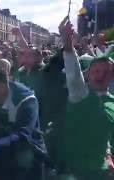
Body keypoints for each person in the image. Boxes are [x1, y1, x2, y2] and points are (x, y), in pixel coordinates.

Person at [54, 17, 114, 180]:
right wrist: (68, 45)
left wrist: (108, 156)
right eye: (96, 71)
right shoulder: (81, 95)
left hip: (103, 173)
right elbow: (73, 75)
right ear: (88, 74)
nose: (100, 75)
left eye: (106, 72)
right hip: (74, 172)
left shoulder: (112, 103)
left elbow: (106, 135)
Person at [0, 66, 46, 180]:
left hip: (28, 154)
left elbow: (22, 137)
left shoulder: (26, 100)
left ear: (1, 86)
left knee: (24, 157)